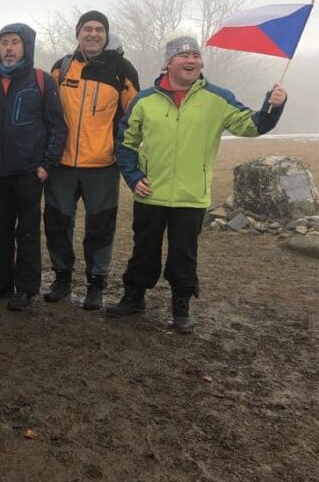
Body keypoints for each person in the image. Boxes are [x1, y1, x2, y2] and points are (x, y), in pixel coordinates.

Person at [107, 37, 287, 333]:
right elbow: (125, 142)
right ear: (168, 63)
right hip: (150, 194)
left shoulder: (217, 98)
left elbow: (252, 125)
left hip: (191, 197)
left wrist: (272, 107)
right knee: (143, 251)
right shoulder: (145, 100)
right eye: (183, 55)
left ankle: (181, 305)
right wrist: (134, 177)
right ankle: (134, 296)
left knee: (184, 255)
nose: (191, 61)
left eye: (195, 55)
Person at [42, 11, 140, 310]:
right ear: (77, 33)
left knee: (100, 228)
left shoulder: (122, 69)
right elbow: (48, 114)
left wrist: (125, 155)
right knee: (57, 224)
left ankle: (96, 283)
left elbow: (135, 117)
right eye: (88, 29)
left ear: (107, 35)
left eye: (100, 29)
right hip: (62, 165)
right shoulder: (61, 67)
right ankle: (62, 277)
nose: (93, 34)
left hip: (102, 165)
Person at [0, 23, 67, 310]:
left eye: (15, 42)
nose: (9, 48)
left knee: (27, 232)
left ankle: (26, 288)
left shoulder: (41, 80)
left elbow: (57, 126)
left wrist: (46, 164)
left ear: (26, 47)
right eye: (4, 43)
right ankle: (2, 281)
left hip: (29, 171)